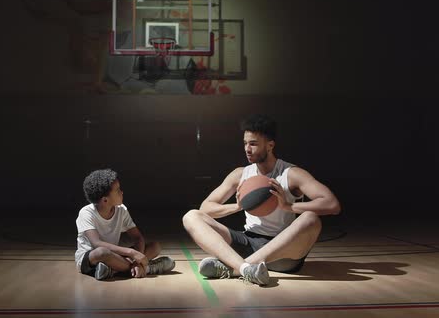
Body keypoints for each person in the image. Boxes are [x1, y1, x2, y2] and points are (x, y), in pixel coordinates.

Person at [182, 114, 341, 286]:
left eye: (253, 144)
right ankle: (246, 269)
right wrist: (237, 206)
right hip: (248, 242)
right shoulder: (241, 174)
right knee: (191, 216)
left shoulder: (291, 174)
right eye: (245, 143)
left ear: (270, 145)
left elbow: (332, 204)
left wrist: (289, 206)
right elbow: (206, 207)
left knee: (311, 218)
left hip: (282, 251)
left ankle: (234, 268)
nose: (247, 149)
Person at [76, 169, 175, 280]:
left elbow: (138, 238)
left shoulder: (121, 210)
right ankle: (148, 269)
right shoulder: (86, 213)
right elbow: (96, 243)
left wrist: (137, 261)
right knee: (102, 252)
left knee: (155, 246)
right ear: (105, 200)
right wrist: (132, 253)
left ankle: (113, 270)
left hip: (115, 257)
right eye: (118, 190)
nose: (122, 192)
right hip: (91, 258)